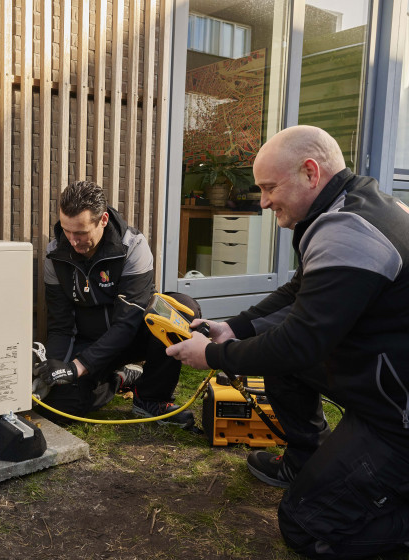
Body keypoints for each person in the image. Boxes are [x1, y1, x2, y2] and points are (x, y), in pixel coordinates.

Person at [166, 125, 409, 559]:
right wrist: (235, 327)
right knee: (281, 365)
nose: (262, 201)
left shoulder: (349, 230)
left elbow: (299, 344)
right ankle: (306, 458)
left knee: (308, 526)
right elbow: (299, 293)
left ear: (310, 173)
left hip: (397, 415)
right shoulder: (355, 208)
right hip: (383, 378)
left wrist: (213, 354)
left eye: (269, 187)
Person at [34, 180, 200, 428]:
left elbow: (127, 323)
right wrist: (59, 370)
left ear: (102, 220)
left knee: (180, 307)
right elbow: (61, 325)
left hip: (133, 337)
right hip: (89, 343)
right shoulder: (55, 255)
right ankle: (120, 378)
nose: (72, 240)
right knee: (60, 407)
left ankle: (151, 398)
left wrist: (78, 366)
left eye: (80, 233)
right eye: (66, 230)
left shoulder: (133, 246)